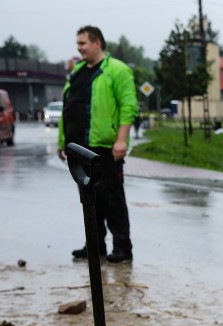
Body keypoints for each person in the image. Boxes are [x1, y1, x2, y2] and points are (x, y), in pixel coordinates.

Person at [58, 25, 138, 264]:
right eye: (77, 43)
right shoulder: (78, 72)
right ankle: (95, 246)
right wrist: (63, 141)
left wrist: (121, 139)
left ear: (97, 43)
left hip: (104, 147)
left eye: (82, 43)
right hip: (77, 148)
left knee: (112, 199)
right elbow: (68, 108)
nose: (78, 48)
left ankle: (122, 248)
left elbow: (129, 106)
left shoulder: (116, 70)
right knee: (89, 200)